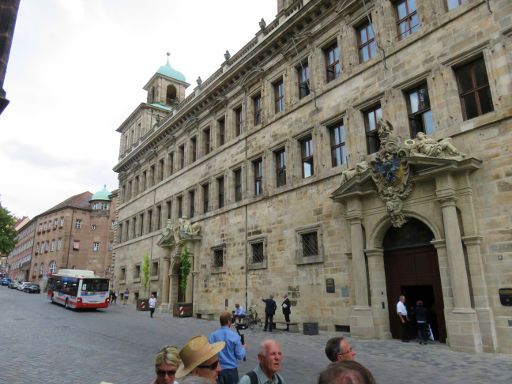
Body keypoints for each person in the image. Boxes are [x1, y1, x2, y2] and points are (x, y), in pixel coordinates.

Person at [208, 311, 246, 384]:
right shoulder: (235, 336)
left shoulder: (213, 335)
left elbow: (210, 353)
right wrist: (243, 348)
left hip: (217, 369)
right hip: (231, 370)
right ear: (229, 322)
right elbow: (240, 356)